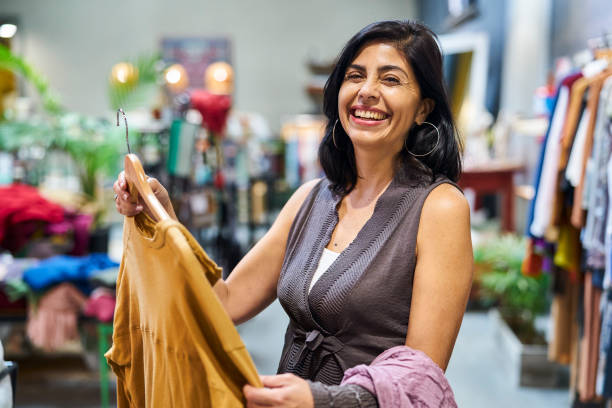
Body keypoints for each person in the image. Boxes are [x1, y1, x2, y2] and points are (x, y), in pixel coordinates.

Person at [114, 20, 473, 408]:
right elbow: (225, 302)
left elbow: (421, 376)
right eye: (355, 75)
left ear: (423, 108)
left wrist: (325, 400)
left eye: (390, 80)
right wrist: (163, 218)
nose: (367, 92)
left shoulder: (439, 208)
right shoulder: (311, 199)